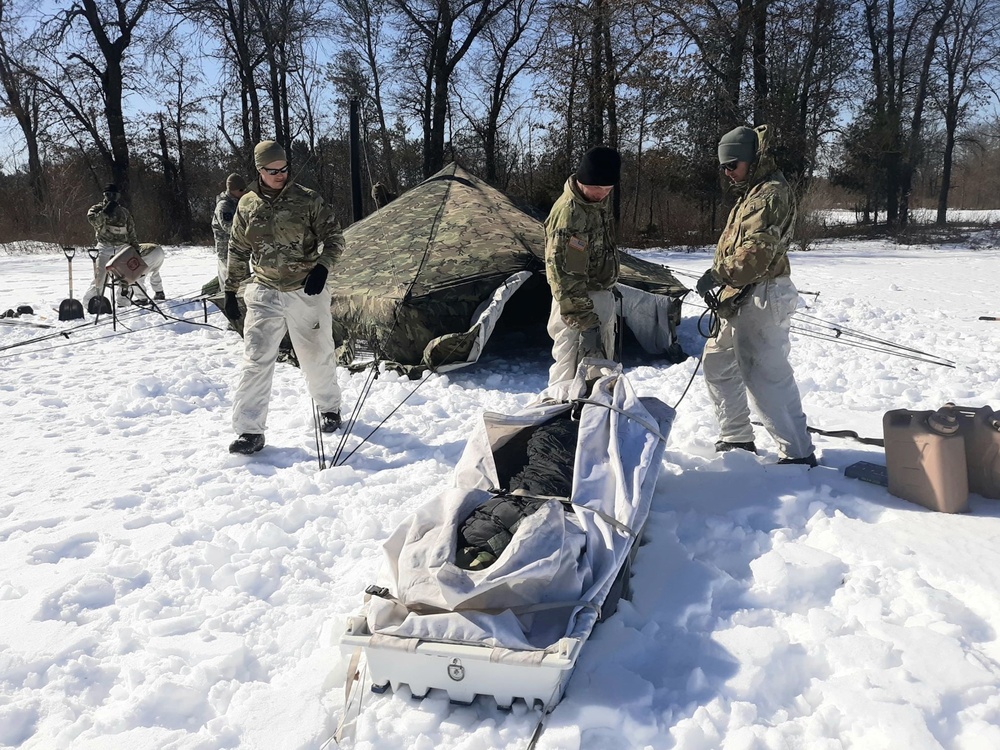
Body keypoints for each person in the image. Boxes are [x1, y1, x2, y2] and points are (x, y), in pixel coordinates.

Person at [696, 124, 816, 467]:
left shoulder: (770, 195)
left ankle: (797, 453)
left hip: (763, 293)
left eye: (732, 164)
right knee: (718, 361)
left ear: (752, 159)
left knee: (765, 374)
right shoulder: (751, 193)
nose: (727, 172)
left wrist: (719, 274)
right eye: (723, 166)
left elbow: (756, 253)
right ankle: (736, 437)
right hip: (740, 293)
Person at [224, 140, 346, 455]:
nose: (281, 175)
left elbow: (335, 237)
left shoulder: (307, 200)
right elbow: (237, 248)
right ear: (259, 170)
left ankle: (329, 408)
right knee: (256, 359)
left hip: (306, 289)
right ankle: (250, 431)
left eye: (284, 169)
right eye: (273, 170)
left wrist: (322, 267)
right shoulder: (247, 205)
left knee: (316, 355)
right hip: (264, 289)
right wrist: (229, 289)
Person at [543, 146, 621, 386]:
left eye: (608, 189)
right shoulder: (570, 215)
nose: (602, 194)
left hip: (597, 298)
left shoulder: (594, 203)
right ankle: (560, 416)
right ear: (582, 180)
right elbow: (564, 277)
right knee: (568, 374)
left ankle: (591, 418)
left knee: (599, 375)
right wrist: (586, 324)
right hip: (576, 309)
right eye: (597, 188)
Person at [83, 183, 140, 309]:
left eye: (114, 195)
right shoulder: (96, 209)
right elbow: (93, 221)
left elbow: (131, 230)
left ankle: (123, 303)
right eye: (109, 195)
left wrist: (136, 247)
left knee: (126, 278)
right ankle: (90, 304)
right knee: (100, 278)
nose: (112, 197)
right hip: (104, 246)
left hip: (122, 247)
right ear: (104, 195)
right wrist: (105, 212)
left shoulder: (124, 212)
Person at [212, 173, 247, 288]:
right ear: (232, 190)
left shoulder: (237, 203)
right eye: (241, 190)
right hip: (227, 253)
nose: (243, 193)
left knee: (244, 284)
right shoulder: (224, 206)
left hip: (239, 252)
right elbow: (230, 228)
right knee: (231, 288)